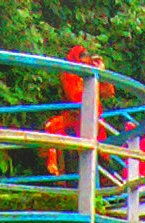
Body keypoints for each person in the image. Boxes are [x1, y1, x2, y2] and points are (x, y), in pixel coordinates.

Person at [42, 43, 111, 178]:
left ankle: (107, 188)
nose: (85, 59)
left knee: (99, 152)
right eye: (82, 56)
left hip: (92, 119)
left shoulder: (90, 72)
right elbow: (76, 96)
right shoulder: (70, 72)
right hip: (73, 120)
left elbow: (108, 92)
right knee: (73, 153)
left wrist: (101, 73)